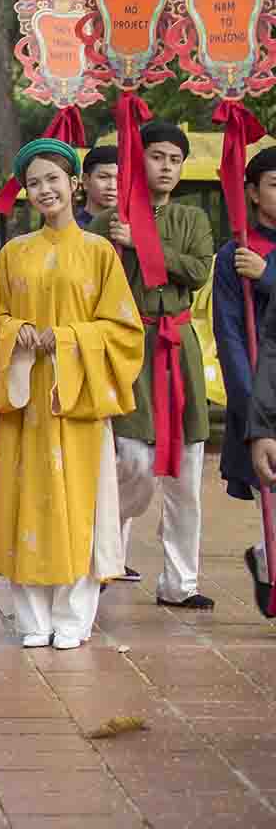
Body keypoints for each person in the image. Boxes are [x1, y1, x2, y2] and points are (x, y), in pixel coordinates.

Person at [0, 139, 142, 648]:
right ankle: (32, 619)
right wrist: (17, 332)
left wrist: (69, 338)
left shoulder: (99, 252)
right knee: (25, 502)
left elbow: (123, 329)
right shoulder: (13, 254)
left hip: (77, 397)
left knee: (80, 504)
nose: (44, 190)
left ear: (74, 184)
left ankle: (73, 619)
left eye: (53, 179)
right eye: (33, 183)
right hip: (26, 396)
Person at [90, 122, 216, 607]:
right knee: (131, 461)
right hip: (127, 346)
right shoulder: (106, 224)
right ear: (136, 161)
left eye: (174, 159)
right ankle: (104, 548)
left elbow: (197, 270)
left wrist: (141, 242)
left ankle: (180, 584)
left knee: (186, 472)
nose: (166, 167)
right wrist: (118, 243)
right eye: (156, 156)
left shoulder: (192, 218)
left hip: (177, 345)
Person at [213, 148, 276, 608]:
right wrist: (253, 414)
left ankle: (266, 560)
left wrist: (269, 276)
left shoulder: (261, 262)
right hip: (264, 393)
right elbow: (231, 335)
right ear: (251, 193)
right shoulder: (235, 254)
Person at [76, 145, 118, 228]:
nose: (112, 186)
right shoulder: (71, 227)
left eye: (120, 179)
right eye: (103, 177)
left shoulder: (134, 227)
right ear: (85, 180)